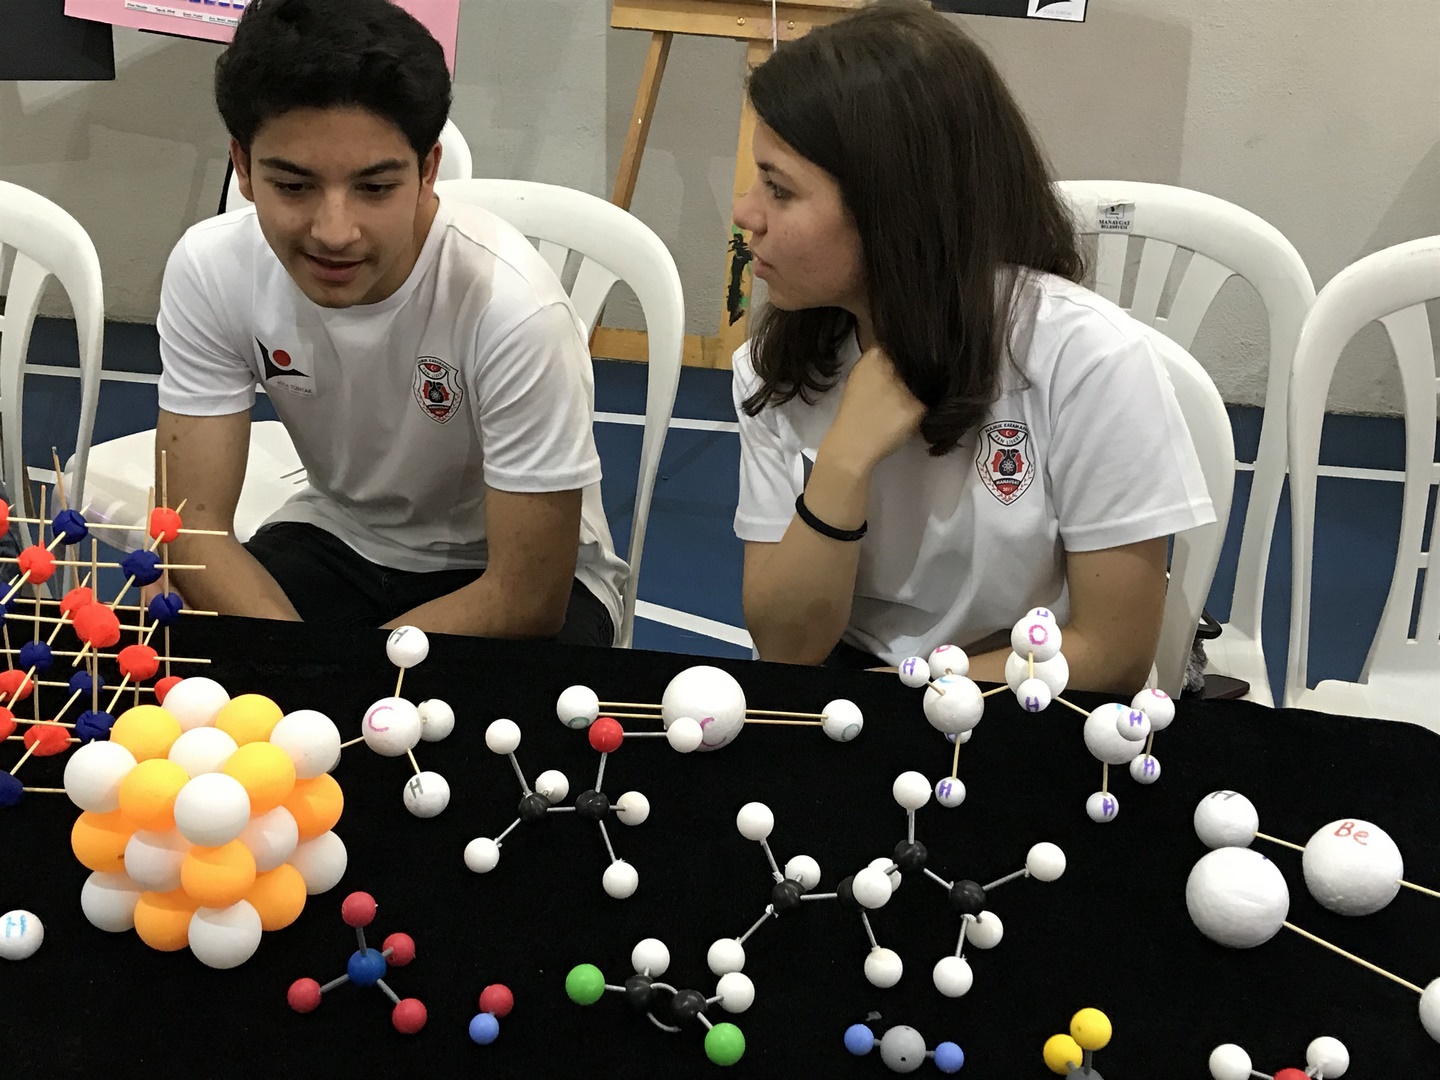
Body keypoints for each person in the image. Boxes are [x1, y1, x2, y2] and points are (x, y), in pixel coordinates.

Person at [730, 0, 1214, 693]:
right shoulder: (774, 368)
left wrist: (905, 699)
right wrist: (842, 462)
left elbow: (1111, 653)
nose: (746, 213)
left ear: (894, 208)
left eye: (779, 189)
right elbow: (786, 649)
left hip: (1029, 690)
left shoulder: (1089, 360)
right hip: (860, 686)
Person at [154, 0, 624, 645]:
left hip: (509, 576)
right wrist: (302, 666)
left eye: (374, 188)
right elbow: (193, 526)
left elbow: (527, 597)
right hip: (339, 537)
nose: (334, 232)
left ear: (428, 171)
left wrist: (341, 679)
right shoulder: (211, 268)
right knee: (175, 644)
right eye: (293, 186)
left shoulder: (514, 309)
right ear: (243, 166)